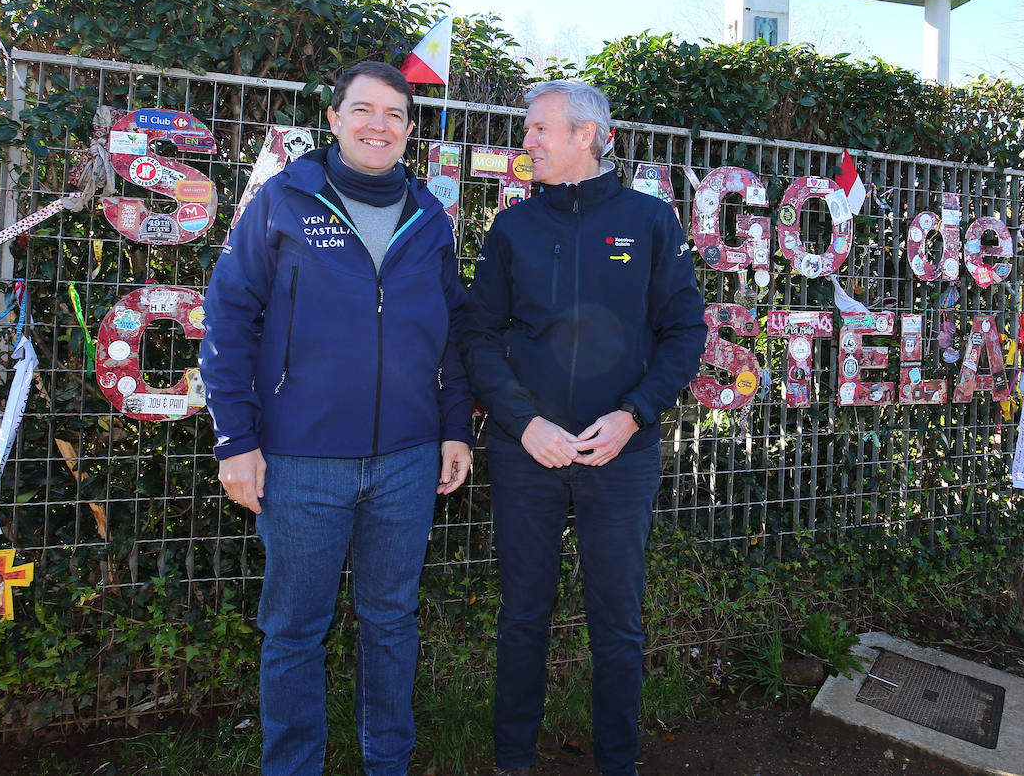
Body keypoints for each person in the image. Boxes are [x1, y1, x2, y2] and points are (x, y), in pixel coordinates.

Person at [199, 60, 473, 776]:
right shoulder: (281, 203)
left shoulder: (431, 217)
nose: (377, 125)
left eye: (393, 114)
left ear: (411, 131)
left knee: (391, 623)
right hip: (298, 463)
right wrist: (237, 440)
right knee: (294, 632)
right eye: (363, 110)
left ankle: (390, 763)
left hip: (408, 463)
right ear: (333, 119)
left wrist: (454, 428)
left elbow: (452, 333)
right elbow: (228, 320)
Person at [460, 80, 706, 776]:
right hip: (525, 454)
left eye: (539, 129)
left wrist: (632, 416)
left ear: (588, 136)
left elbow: (685, 333)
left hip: (619, 457)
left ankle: (617, 762)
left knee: (618, 622)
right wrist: (524, 420)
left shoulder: (653, 223)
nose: (527, 141)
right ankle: (513, 760)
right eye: (527, 129)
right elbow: (478, 335)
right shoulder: (512, 228)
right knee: (523, 617)